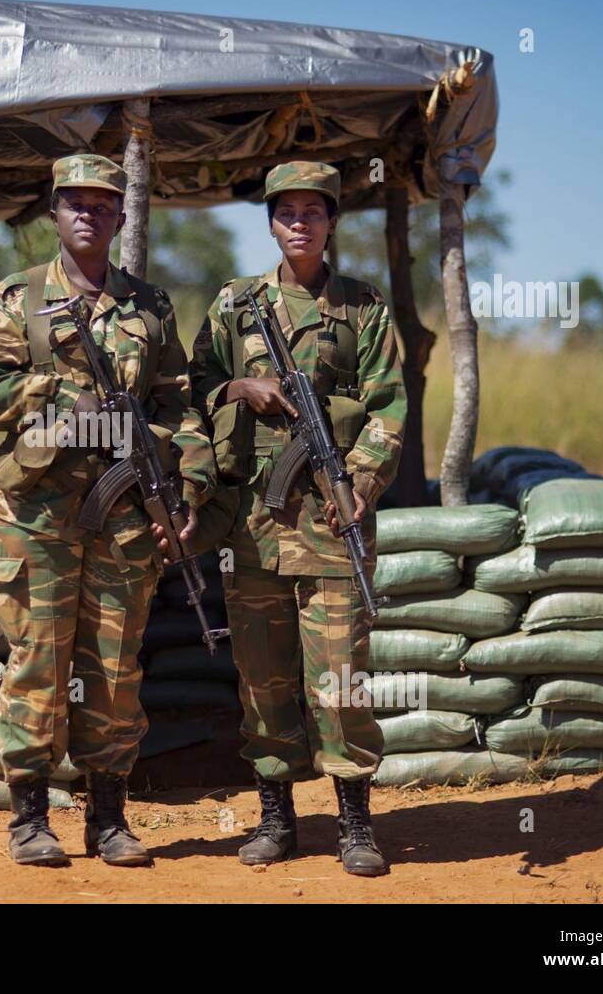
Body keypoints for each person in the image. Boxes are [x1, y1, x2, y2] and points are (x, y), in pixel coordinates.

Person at [0, 153, 214, 867]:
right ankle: (30, 820)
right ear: (55, 212)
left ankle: (109, 820)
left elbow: (179, 403)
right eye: (76, 201)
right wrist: (56, 400)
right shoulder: (18, 298)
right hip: (35, 512)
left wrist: (181, 478)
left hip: (124, 511)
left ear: (121, 216)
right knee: (39, 659)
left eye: (103, 203)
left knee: (114, 664)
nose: (89, 213)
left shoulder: (151, 306)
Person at [187, 161, 406, 876]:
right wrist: (240, 387)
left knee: (340, 679)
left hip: (335, 521)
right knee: (263, 681)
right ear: (272, 221)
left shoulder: (365, 308)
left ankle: (354, 823)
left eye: (315, 211)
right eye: (288, 212)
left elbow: (391, 407)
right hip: (253, 526)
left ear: (333, 220)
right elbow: (189, 390)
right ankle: (276, 819)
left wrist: (361, 482)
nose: (301, 223)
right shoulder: (235, 303)